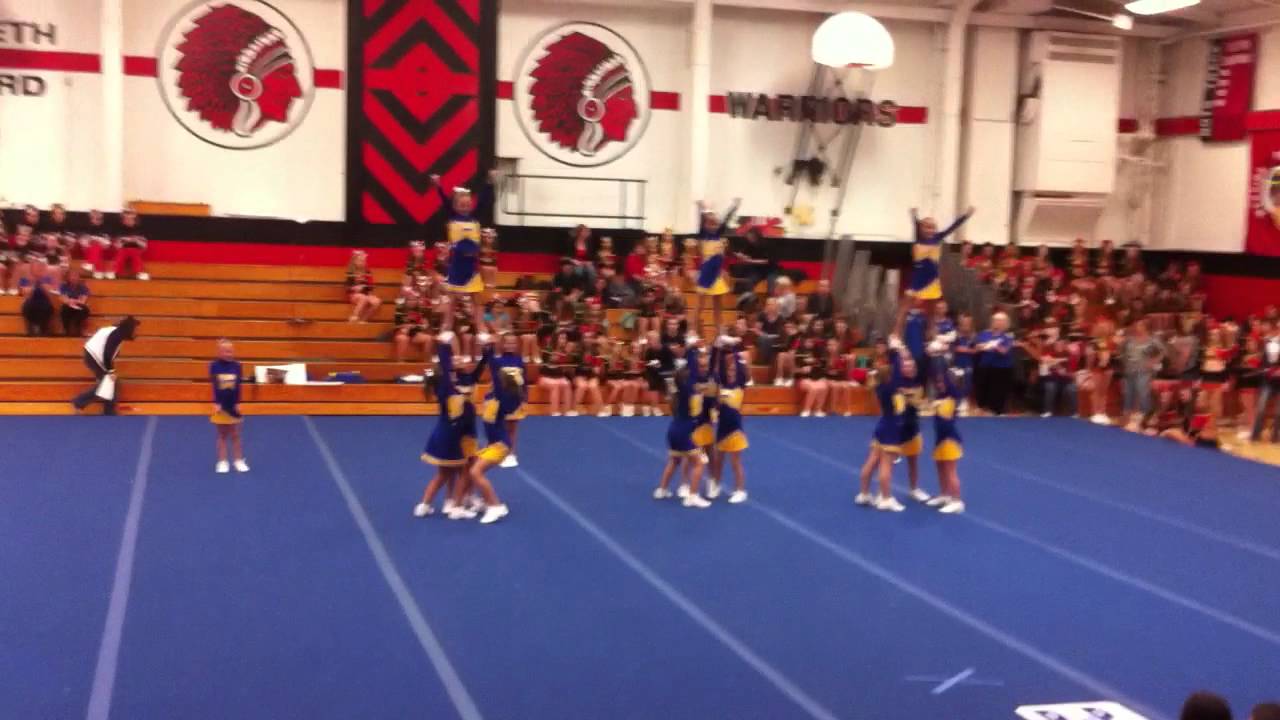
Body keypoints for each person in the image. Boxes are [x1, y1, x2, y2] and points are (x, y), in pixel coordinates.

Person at [415, 333, 482, 520]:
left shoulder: (447, 389)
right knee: (465, 471)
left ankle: (424, 505)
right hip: (451, 439)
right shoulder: (446, 389)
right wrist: (444, 345)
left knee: (443, 475)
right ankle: (457, 507)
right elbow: (445, 365)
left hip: (444, 436)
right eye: (454, 360)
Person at [429, 171, 495, 338]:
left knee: (477, 299)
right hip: (457, 265)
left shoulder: (475, 217)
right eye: (462, 204)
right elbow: (444, 202)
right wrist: (438, 187)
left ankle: (480, 326)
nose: (465, 206)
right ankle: (446, 327)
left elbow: (483, 201)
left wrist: (489, 182)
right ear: (456, 205)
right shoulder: (452, 216)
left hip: (471, 266)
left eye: (468, 204)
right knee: (452, 300)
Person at [856, 343, 917, 512]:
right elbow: (896, 367)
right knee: (886, 466)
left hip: (882, 424)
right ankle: (886, 498)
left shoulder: (881, 387)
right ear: (890, 376)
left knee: (871, 462)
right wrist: (898, 350)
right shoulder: (891, 387)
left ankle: (864, 494)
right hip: (891, 428)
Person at [653, 339, 711, 508]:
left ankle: (661, 490)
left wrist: (693, 349)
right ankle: (692, 496)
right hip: (685, 431)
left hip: (674, 429)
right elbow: (692, 366)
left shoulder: (680, 392)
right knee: (699, 463)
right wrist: (692, 348)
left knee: (674, 460)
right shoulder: (688, 387)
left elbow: (692, 371)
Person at [459, 337, 511, 524]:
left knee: (475, 472)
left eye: (495, 380)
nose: (491, 380)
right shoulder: (489, 396)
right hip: (493, 444)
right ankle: (470, 498)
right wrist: (485, 354)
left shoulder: (501, 398)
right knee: (470, 468)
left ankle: (495, 506)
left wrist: (490, 352)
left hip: (501, 446)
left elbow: (495, 372)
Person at [72, 316, 140, 416]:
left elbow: (108, 353)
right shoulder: (116, 334)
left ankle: (108, 410)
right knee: (107, 383)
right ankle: (79, 402)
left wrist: (111, 371)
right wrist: (111, 371)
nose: (136, 332)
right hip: (94, 357)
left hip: (93, 355)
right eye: (135, 329)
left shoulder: (115, 332)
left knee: (111, 383)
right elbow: (107, 354)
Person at [709, 335, 749, 504]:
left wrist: (734, 345)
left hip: (735, 429)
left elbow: (738, 365)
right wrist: (717, 346)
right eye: (729, 370)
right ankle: (716, 485)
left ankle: (740, 490)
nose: (731, 372)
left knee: (735, 462)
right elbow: (714, 364)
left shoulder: (739, 385)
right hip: (722, 428)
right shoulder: (722, 385)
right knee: (718, 460)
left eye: (734, 370)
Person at [693, 197, 741, 333]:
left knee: (718, 307)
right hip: (705, 275)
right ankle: (692, 331)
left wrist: (734, 207)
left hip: (716, 276)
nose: (713, 226)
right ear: (706, 225)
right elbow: (701, 221)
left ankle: (720, 332)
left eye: (715, 224)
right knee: (700, 306)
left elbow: (726, 219)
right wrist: (701, 208)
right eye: (710, 223)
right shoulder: (703, 235)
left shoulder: (719, 234)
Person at [908, 205, 974, 301]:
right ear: (921, 229)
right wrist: (914, 215)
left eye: (932, 228)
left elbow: (953, 227)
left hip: (932, 278)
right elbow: (916, 225)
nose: (929, 230)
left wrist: (966, 215)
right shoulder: (919, 238)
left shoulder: (937, 237)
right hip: (919, 276)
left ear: (935, 229)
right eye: (926, 227)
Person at [925, 363, 966, 514]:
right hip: (940, 439)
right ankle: (944, 495)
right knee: (940, 468)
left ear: (949, 383)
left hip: (949, 440)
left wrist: (936, 405)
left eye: (943, 382)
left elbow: (945, 419)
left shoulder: (952, 398)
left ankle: (957, 501)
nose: (939, 385)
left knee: (950, 471)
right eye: (938, 382)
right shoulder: (941, 398)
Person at [210, 339, 249, 473]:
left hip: (233, 404)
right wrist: (216, 402)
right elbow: (215, 386)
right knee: (221, 434)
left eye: (230, 351)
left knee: (235, 434)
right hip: (221, 404)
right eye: (225, 351)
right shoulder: (214, 366)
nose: (228, 354)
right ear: (219, 352)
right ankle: (222, 461)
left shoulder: (237, 366)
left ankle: (238, 460)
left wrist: (238, 402)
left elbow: (238, 386)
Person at [973, 312, 1015, 415]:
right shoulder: (984, 333)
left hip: (1001, 368)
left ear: (1005, 323)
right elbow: (977, 347)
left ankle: (996, 411)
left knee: (997, 390)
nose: (998, 323)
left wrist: (994, 345)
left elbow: (1004, 351)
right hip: (985, 366)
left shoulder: (1008, 336)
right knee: (982, 388)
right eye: (996, 320)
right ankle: (981, 407)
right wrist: (984, 345)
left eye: (1000, 321)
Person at [19, 258, 57, 336]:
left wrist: (42, 282)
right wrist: (33, 282)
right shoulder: (24, 280)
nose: (38, 269)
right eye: (36, 267)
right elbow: (27, 294)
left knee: (48, 307)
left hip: (44, 304)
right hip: (30, 303)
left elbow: (49, 294)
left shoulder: (47, 279)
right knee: (28, 306)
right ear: (31, 269)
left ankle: (43, 330)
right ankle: (33, 328)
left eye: (40, 267)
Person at [345, 250, 381, 323]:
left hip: (366, 294)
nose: (362, 262)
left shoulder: (367, 271)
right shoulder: (351, 272)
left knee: (377, 301)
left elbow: (371, 285)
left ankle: (363, 320)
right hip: (354, 295)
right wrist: (354, 288)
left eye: (363, 260)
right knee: (363, 298)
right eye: (360, 260)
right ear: (354, 261)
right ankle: (354, 316)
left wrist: (365, 288)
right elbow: (347, 287)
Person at [114, 209, 149, 280]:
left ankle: (139, 273)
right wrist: (124, 241)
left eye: (130, 219)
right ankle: (116, 273)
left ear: (134, 220)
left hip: (136, 249)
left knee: (136, 255)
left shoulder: (139, 230)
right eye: (126, 219)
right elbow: (117, 245)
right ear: (123, 220)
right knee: (120, 255)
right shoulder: (120, 230)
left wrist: (136, 241)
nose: (128, 221)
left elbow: (144, 246)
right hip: (123, 249)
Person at [59, 268, 91, 337]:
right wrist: (71, 301)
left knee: (85, 309)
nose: (74, 278)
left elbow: (83, 301)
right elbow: (64, 299)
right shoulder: (64, 286)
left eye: (76, 276)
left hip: (79, 306)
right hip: (68, 306)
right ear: (68, 277)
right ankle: (66, 329)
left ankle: (78, 328)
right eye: (72, 276)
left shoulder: (83, 287)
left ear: (78, 277)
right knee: (64, 308)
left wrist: (72, 300)